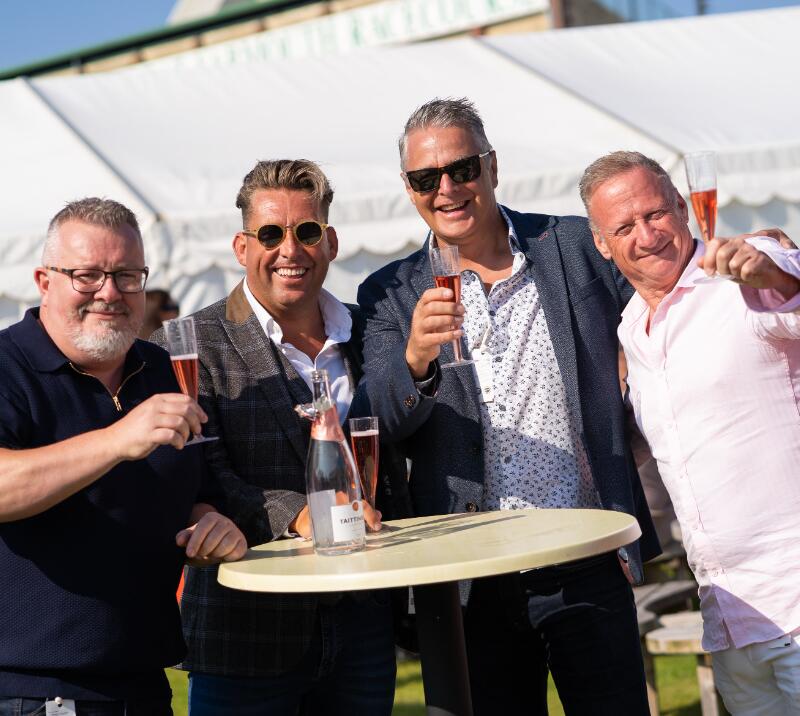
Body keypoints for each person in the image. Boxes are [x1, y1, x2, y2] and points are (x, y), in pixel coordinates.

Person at [357, 97, 659, 715]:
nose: (447, 188)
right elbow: (374, 421)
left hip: (586, 554)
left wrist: (764, 255)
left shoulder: (573, 246)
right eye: (426, 178)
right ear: (409, 189)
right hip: (471, 580)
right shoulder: (388, 291)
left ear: (492, 167)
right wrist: (415, 358)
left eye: (462, 169)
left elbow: (670, 280)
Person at [152, 159, 402, 716]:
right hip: (247, 633)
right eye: (270, 233)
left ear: (330, 241)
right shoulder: (192, 343)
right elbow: (203, 472)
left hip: (364, 619)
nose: (290, 249)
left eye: (306, 231)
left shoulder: (371, 332)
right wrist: (300, 514)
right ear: (242, 248)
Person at [0, 198, 246, 715]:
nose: (109, 293)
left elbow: (196, 490)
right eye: (87, 275)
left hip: (144, 681)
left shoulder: (164, 369)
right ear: (44, 281)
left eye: (127, 275)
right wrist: (117, 439)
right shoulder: (7, 366)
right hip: (33, 690)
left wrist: (209, 523)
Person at [581, 150, 800, 715]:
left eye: (655, 214)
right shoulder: (631, 329)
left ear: (683, 207)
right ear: (602, 244)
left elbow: (785, 285)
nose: (646, 235)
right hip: (731, 621)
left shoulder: (740, 277)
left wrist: (771, 270)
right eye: (623, 227)